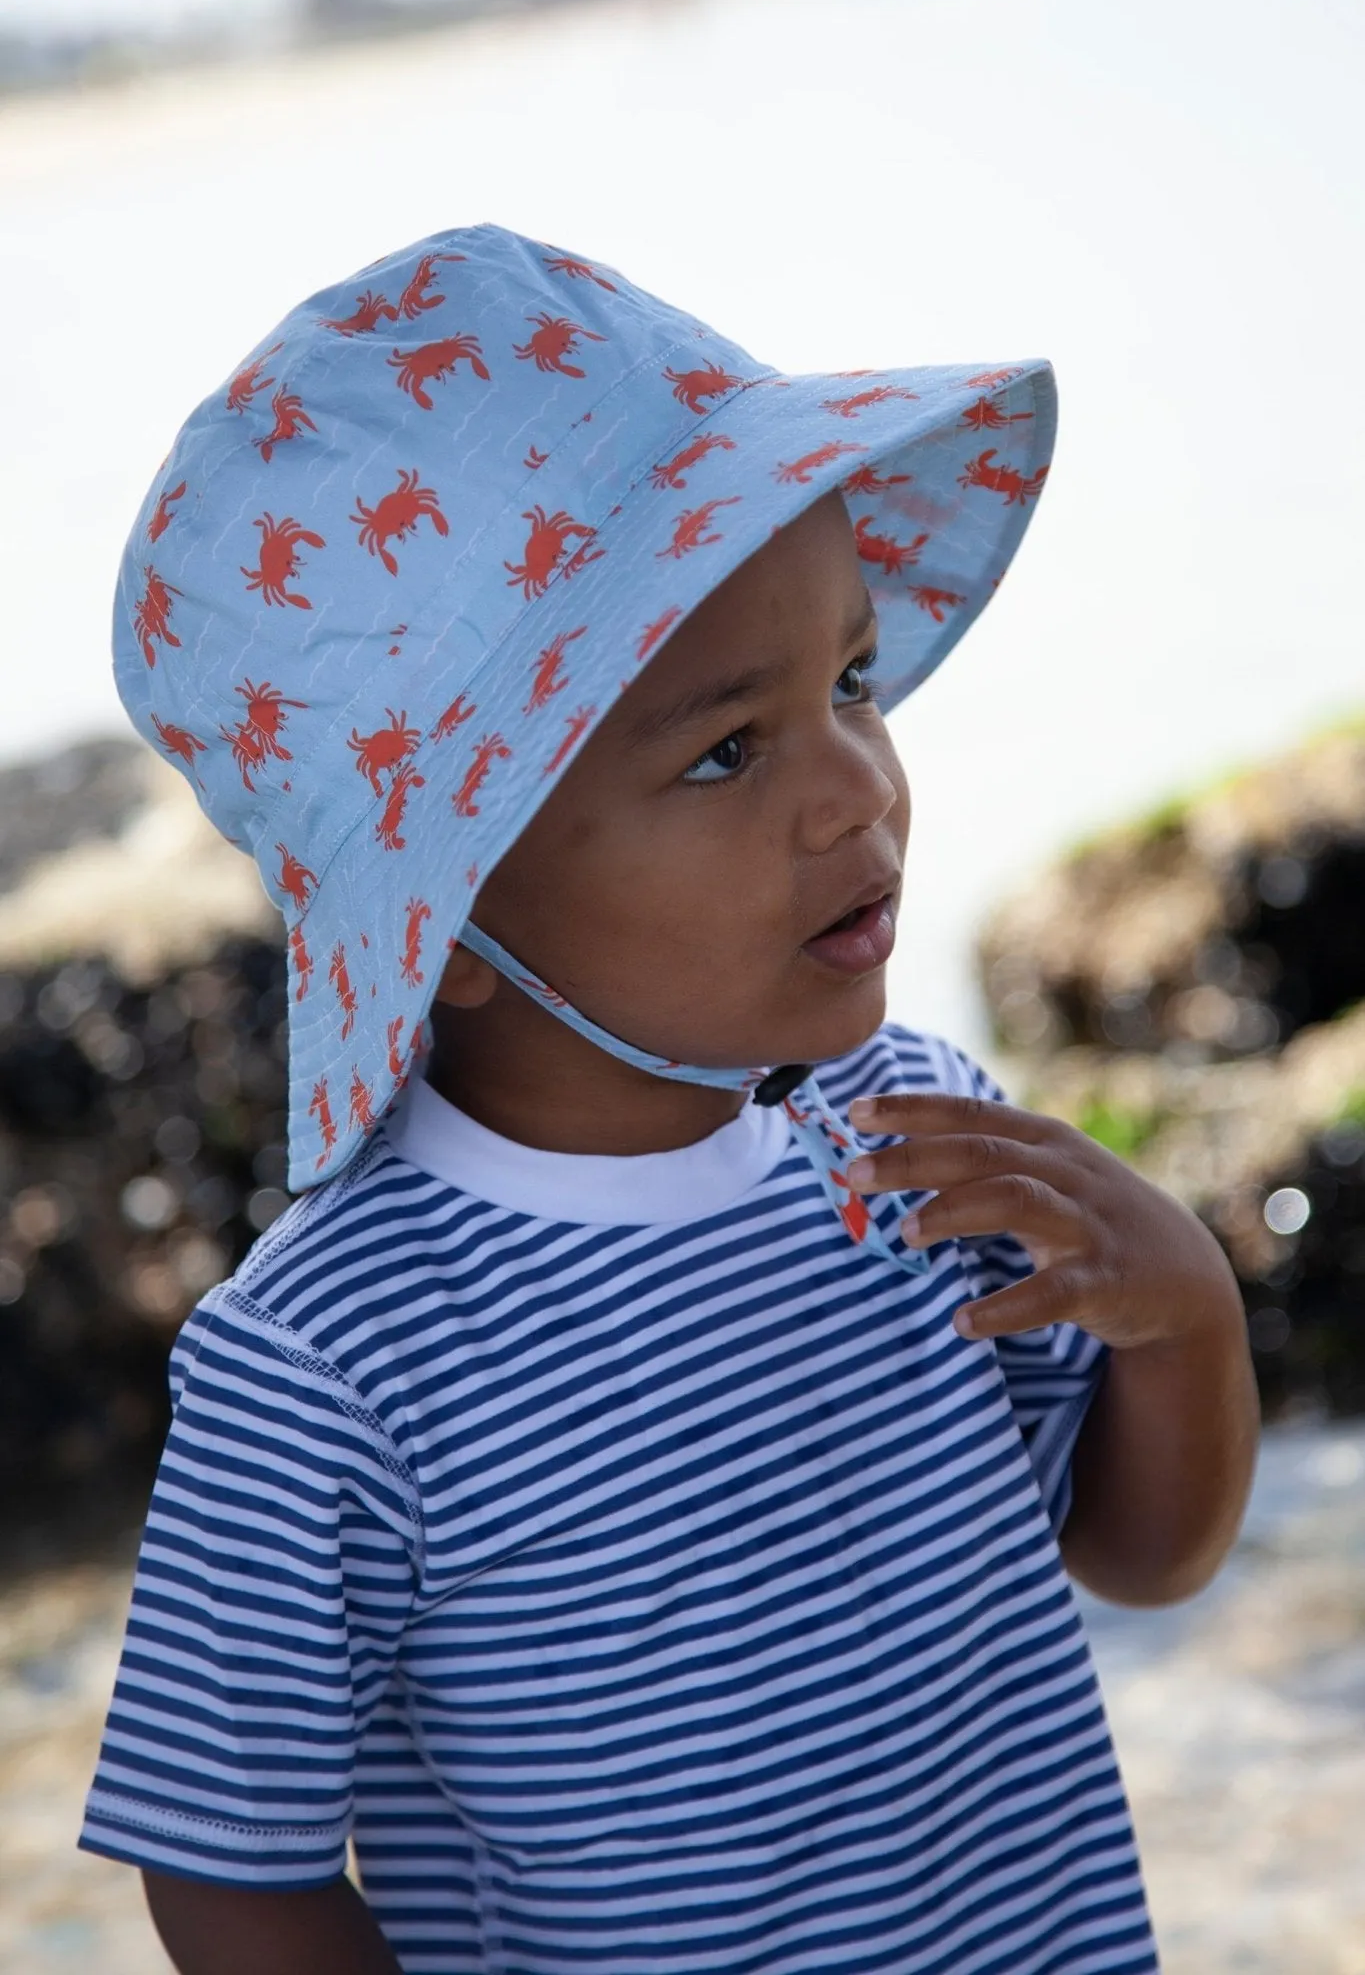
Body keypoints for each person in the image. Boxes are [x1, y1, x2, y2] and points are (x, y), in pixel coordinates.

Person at [80, 224, 1258, 1975]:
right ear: (450, 922)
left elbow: (1138, 1558)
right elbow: (227, 1865)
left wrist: (1187, 1321)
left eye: (851, 680)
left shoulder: (917, 1138)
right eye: (726, 749)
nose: (856, 785)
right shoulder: (337, 1361)